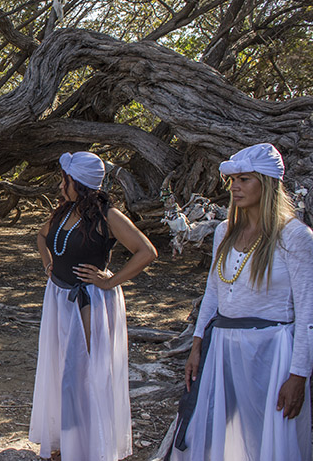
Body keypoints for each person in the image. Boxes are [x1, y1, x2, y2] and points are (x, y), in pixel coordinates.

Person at [167, 143, 313, 461]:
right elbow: (213, 293)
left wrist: (298, 376)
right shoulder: (225, 231)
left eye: (245, 179)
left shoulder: (295, 236)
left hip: (271, 352)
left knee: (266, 436)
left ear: (268, 184)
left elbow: (307, 313)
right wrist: (196, 345)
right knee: (208, 430)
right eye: (232, 180)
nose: (235, 187)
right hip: (222, 346)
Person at [29, 151, 157, 461]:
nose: (60, 186)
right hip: (58, 297)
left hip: (88, 301)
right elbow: (42, 237)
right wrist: (48, 265)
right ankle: (65, 441)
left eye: (65, 181)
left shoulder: (107, 216)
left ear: (79, 182)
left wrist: (110, 281)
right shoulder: (63, 211)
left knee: (83, 372)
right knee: (61, 368)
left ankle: (87, 447)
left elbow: (146, 251)